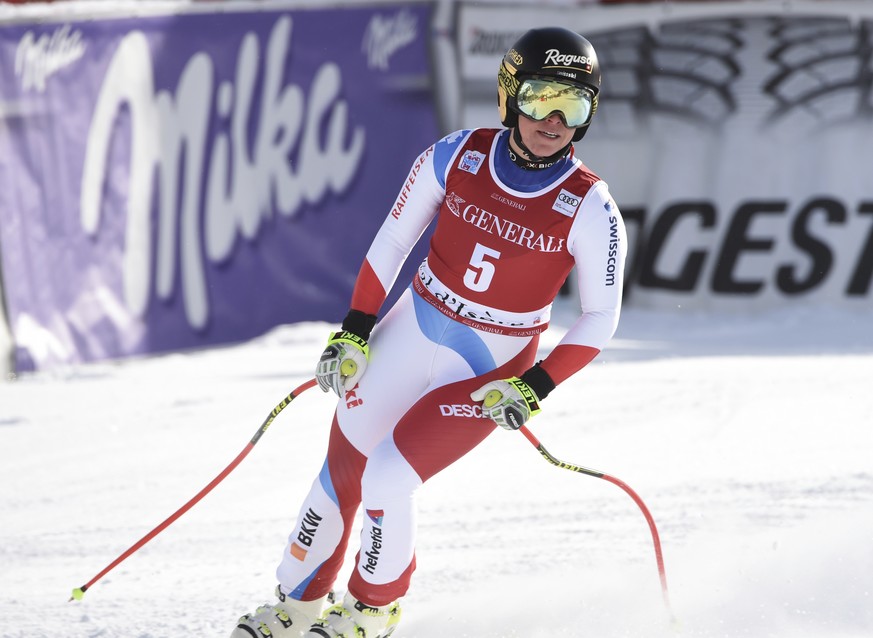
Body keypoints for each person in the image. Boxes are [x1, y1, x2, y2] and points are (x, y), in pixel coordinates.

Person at [231, 26, 626, 638]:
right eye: (539, 98)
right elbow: (393, 241)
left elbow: (601, 316)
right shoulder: (457, 154)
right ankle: (296, 606)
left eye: (573, 105)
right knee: (342, 469)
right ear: (508, 95)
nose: (553, 119)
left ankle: (370, 611)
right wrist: (355, 330)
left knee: (390, 476)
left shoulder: (590, 205)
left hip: (489, 366)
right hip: (414, 323)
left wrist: (536, 386)